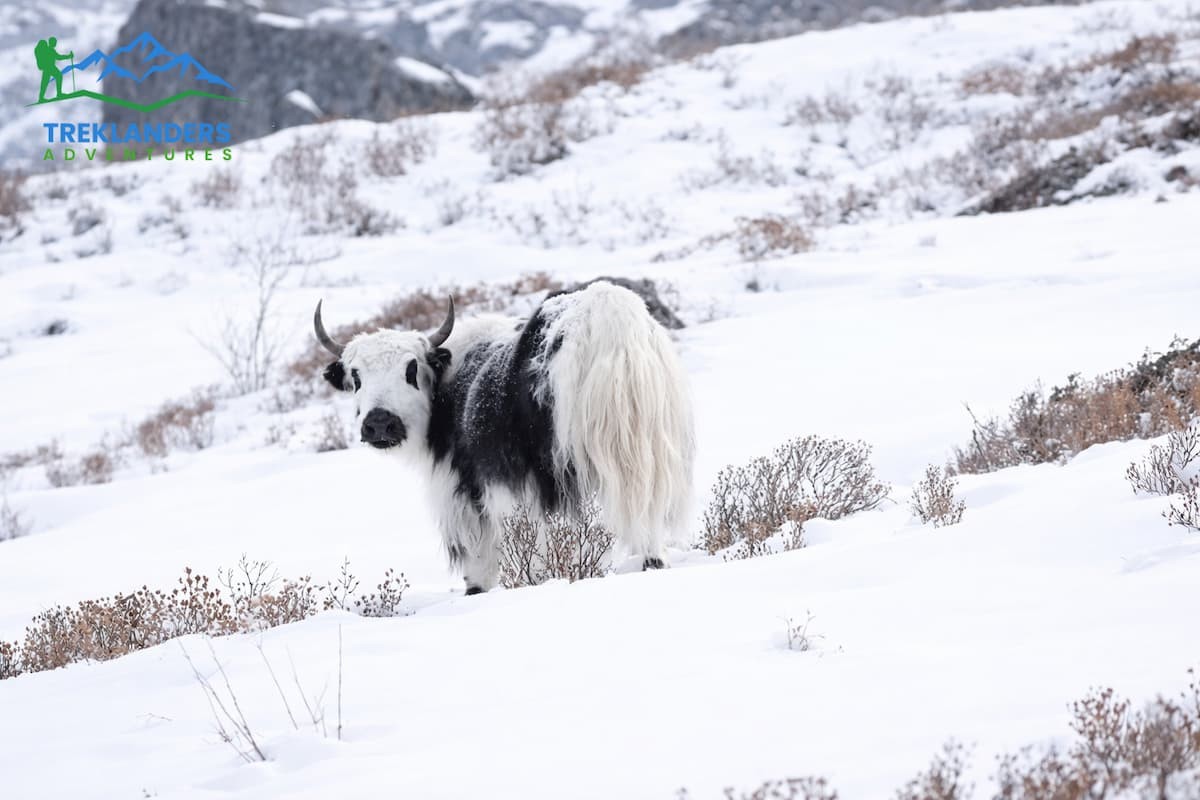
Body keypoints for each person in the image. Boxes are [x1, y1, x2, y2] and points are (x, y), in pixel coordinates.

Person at [35, 36, 73, 102]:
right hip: (50, 67)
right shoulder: (50, 50)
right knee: (58, 76)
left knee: (45, 82)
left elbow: (58, 57)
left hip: (47, 68)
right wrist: (69, 56)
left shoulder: (47, 50)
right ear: (52, 43)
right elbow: (59, 57)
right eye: (55, 42)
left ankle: (41, 97)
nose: (55, 44)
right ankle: (59, 94)